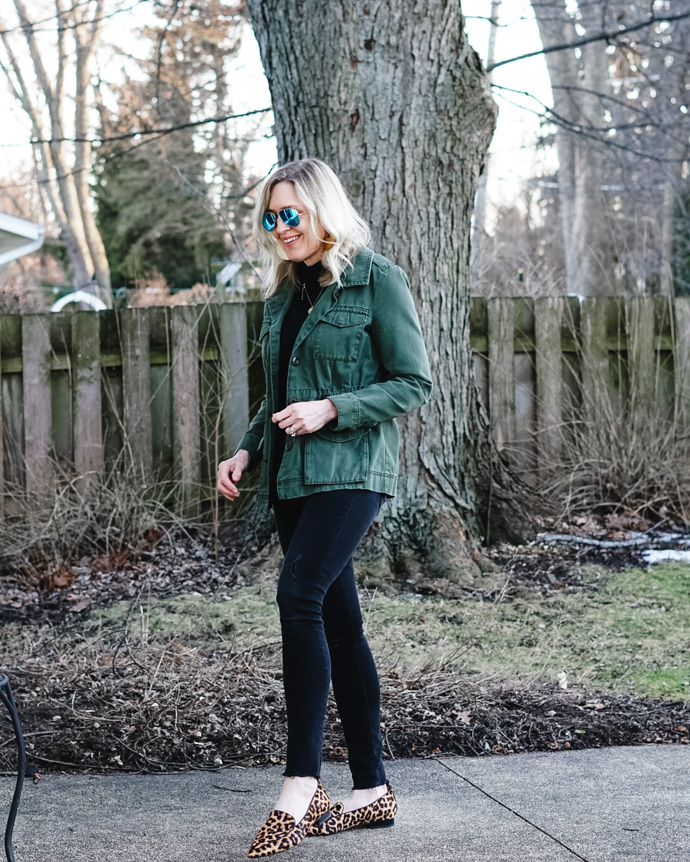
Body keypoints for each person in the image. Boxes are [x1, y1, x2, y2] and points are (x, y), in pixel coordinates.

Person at [217, 158, 431, 858]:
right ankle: (370, 789)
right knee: (341, 623)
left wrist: (334, 407)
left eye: (291, 215)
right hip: (290, 480)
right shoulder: (282, 299)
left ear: (321, 212)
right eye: (270, 218)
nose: (279, 229)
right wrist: (247, 449)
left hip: (353, 470)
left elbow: (411, 382)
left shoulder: (376, 280)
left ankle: (300, 783)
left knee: (298, 596)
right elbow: (275, 395)